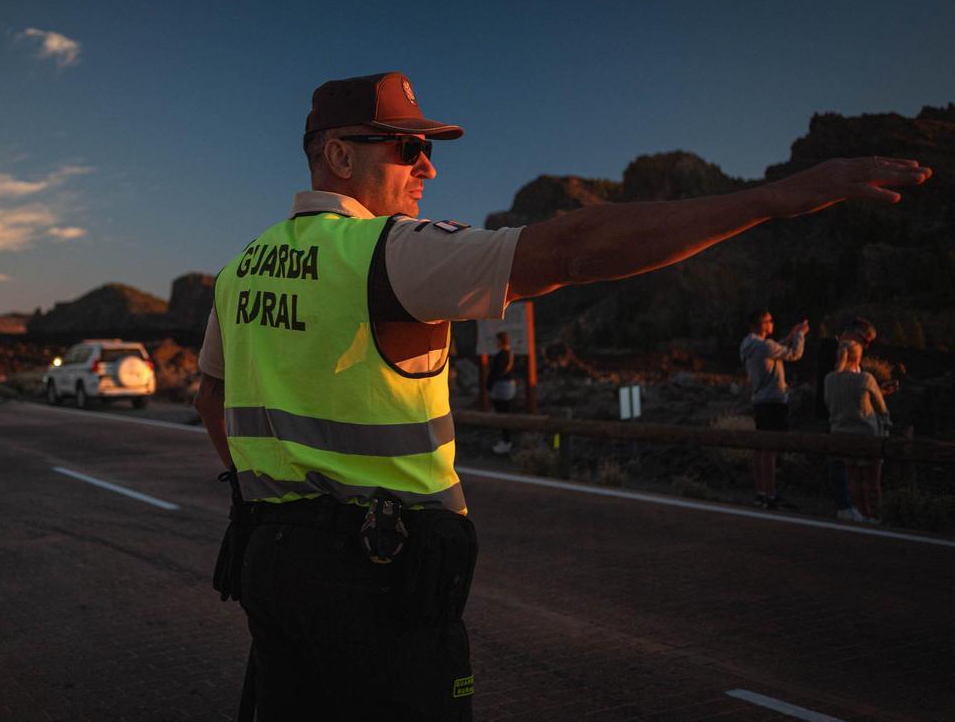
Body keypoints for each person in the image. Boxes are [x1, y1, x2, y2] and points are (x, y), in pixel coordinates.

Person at [193, 71, 932, 719]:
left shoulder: (238, 271)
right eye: (406, 148)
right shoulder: (389, 253)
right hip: (379, 578)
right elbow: (574, 249)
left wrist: (257, 491)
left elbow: (210, 395)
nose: (427, 167)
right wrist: (774, 199)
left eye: (430, 149)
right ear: (338, 154)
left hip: (270, 562)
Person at [740, 309, 808, 508]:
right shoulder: (764, 346)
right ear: (758, 324)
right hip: (774, 402)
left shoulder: (748, 344)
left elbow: (774, 348)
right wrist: (801, 335)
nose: (771, 324)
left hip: (759, 401)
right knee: (770, 450)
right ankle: (770, 495)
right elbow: (795, 354)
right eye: (767, 321)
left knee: (760, 448)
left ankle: (761, 493)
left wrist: (790, 336)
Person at [816, 317, 879, 519]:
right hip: (835, 414)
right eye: (864, 339)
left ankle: (856, 508)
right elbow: (828, 384)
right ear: (851, 332)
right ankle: (845, 505)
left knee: (849, 466)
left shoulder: (855, 355)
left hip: (850, 416)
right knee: (840, 463)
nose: (866, 345)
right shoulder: (831, 350)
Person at [826, 340, 891, 522]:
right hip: (867, 435)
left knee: (854, 478)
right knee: (872, 481)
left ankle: (860, 514)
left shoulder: (829, 379)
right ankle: (875, 516)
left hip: (841, 434)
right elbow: (882, 409)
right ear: (858, 359)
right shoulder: (866, 379)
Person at [488, 331, 517, 454]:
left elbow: (495, 372)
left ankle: (506, 442)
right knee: (505, 413)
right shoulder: (509, 354)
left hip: (501, 387)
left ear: (500, 341)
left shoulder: (502, 355)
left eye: (497, 340)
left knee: (502, 414)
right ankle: (506, 440)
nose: (495, 342)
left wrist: (487, 385)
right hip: (508, 386)